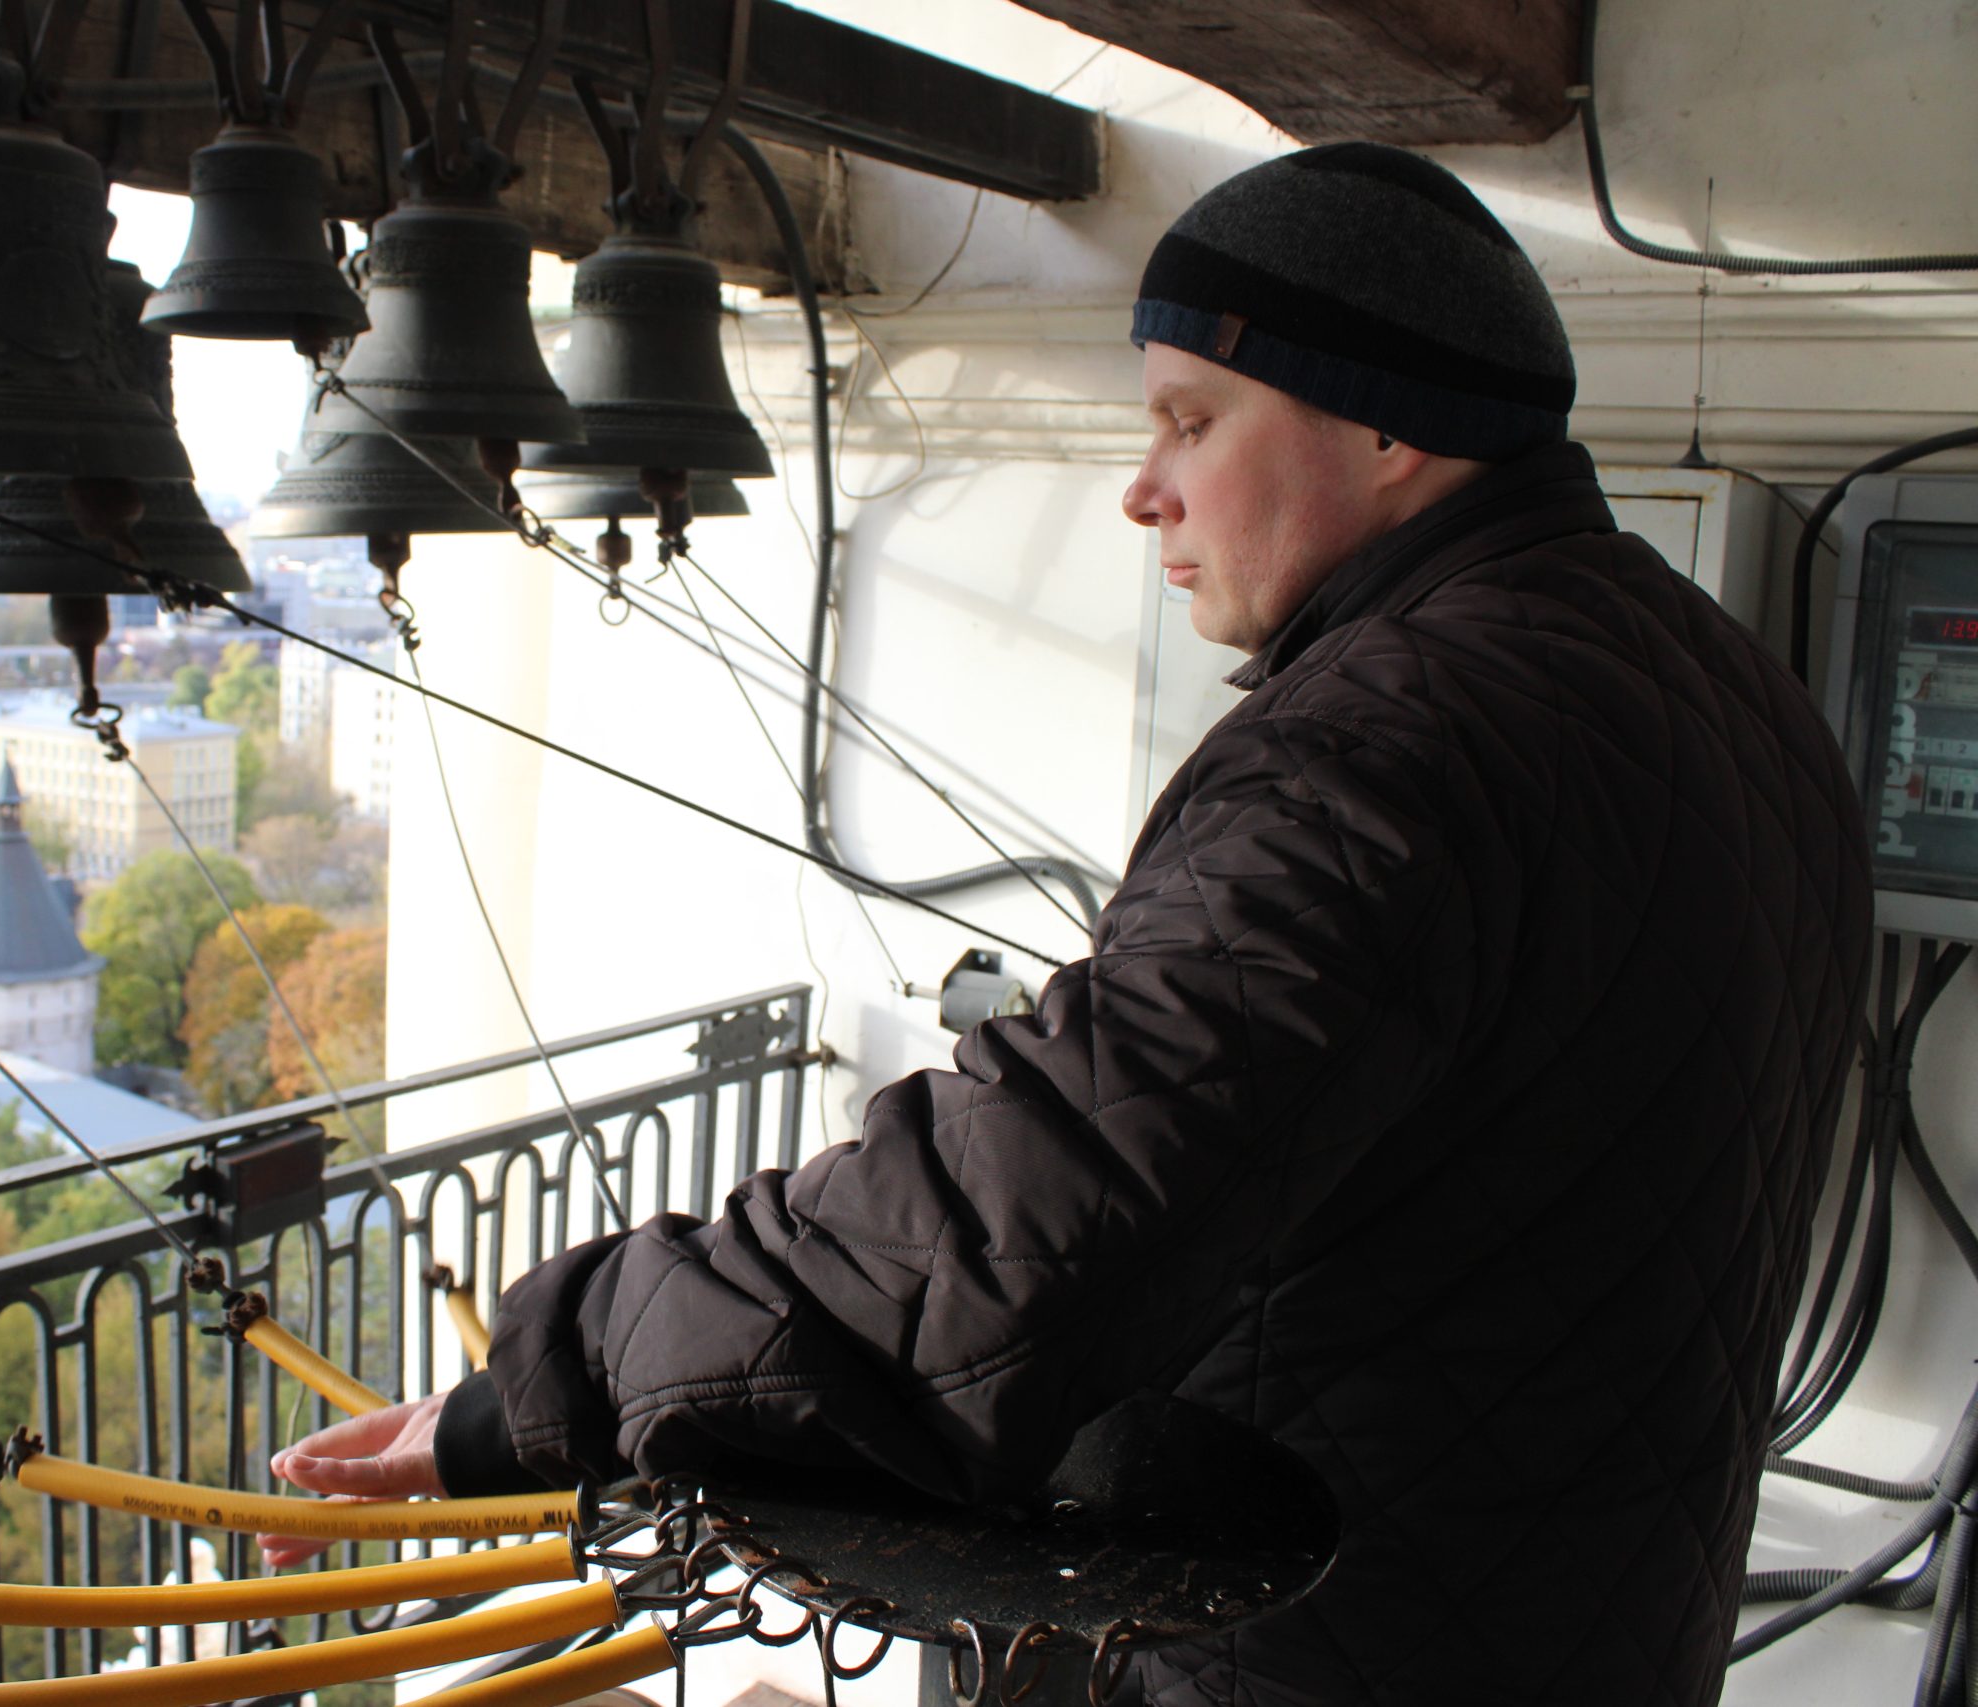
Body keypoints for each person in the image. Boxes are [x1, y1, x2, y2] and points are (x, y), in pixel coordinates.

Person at [269, 144, 1873, 1706]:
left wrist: (556, 1377)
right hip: (1575, 1616)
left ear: (1391, 425)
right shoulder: (1730, 695)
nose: (1141, 487)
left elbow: (1015, 1225)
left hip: (1309, 1647)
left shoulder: (1393, 747)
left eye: (1192, 418)